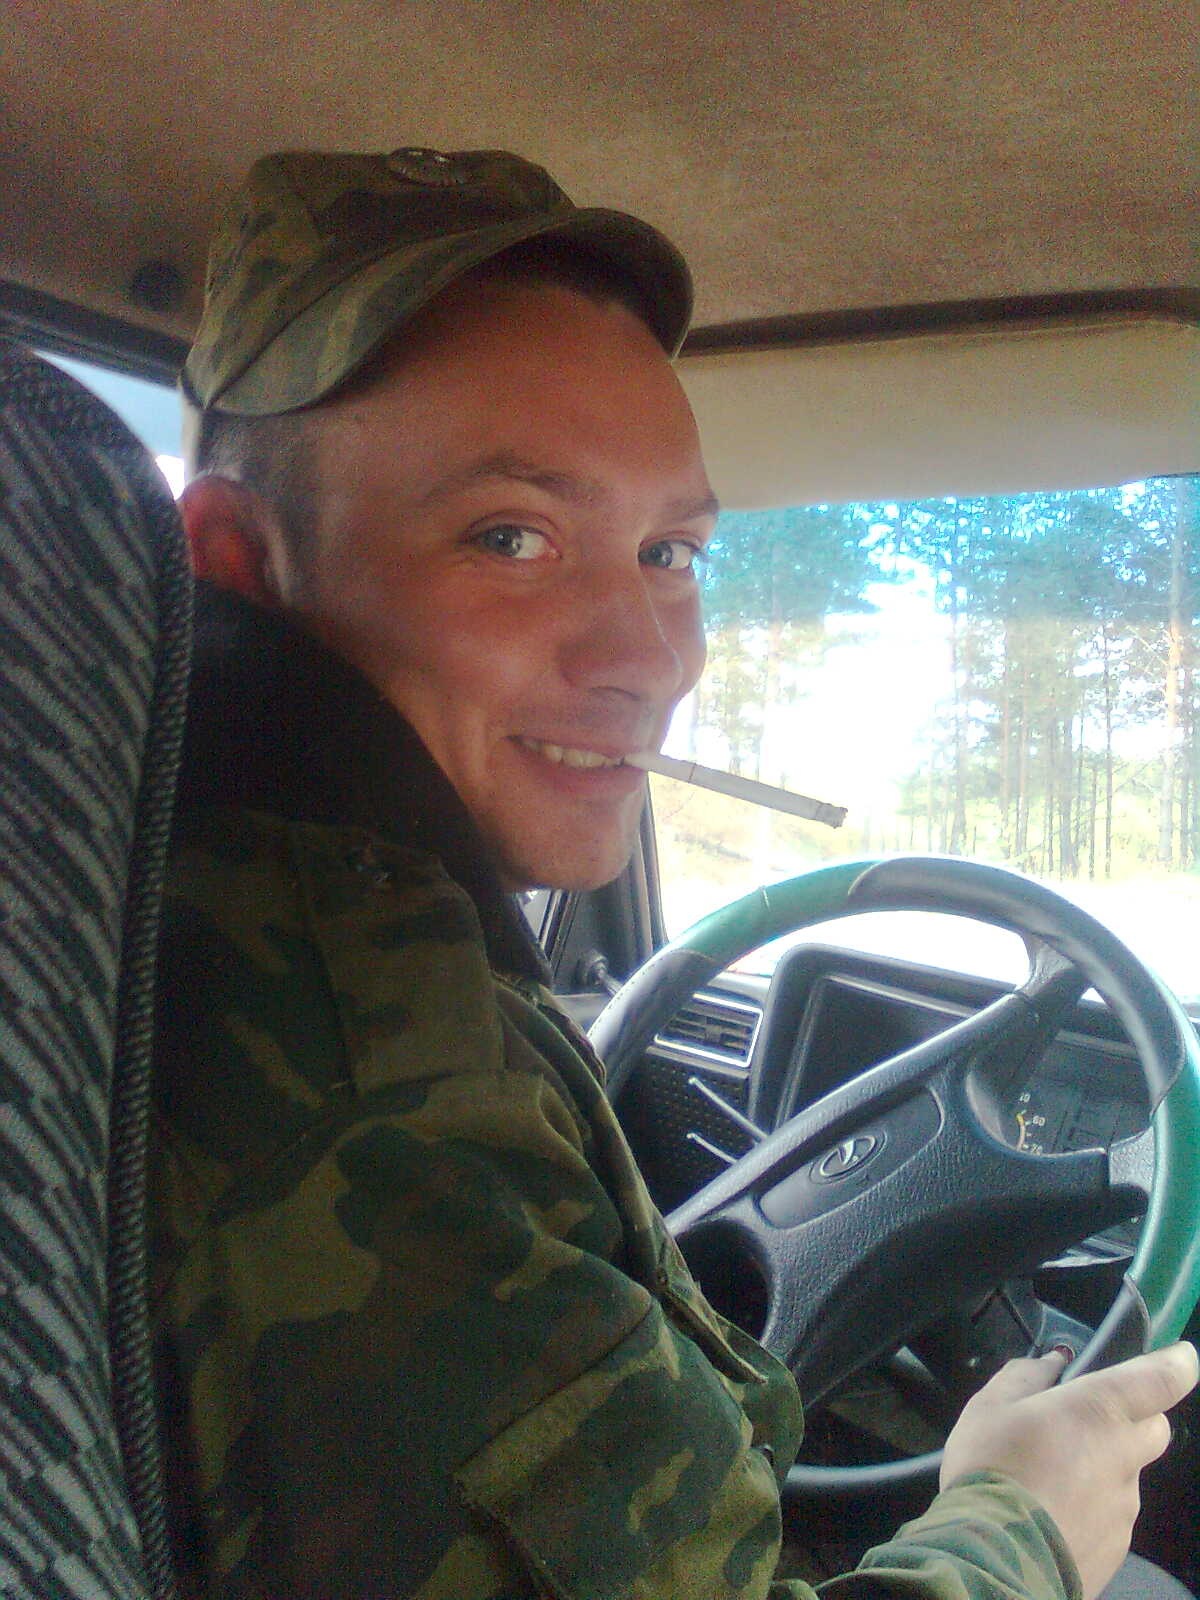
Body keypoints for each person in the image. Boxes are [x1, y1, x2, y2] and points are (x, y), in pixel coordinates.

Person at [150, 145, 1197, 1600]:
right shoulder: (371, 1078)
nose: (650, 659)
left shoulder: (204, 904)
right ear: (236, 563)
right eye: (513, 538)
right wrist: (1017, 1521)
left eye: (670, 551)